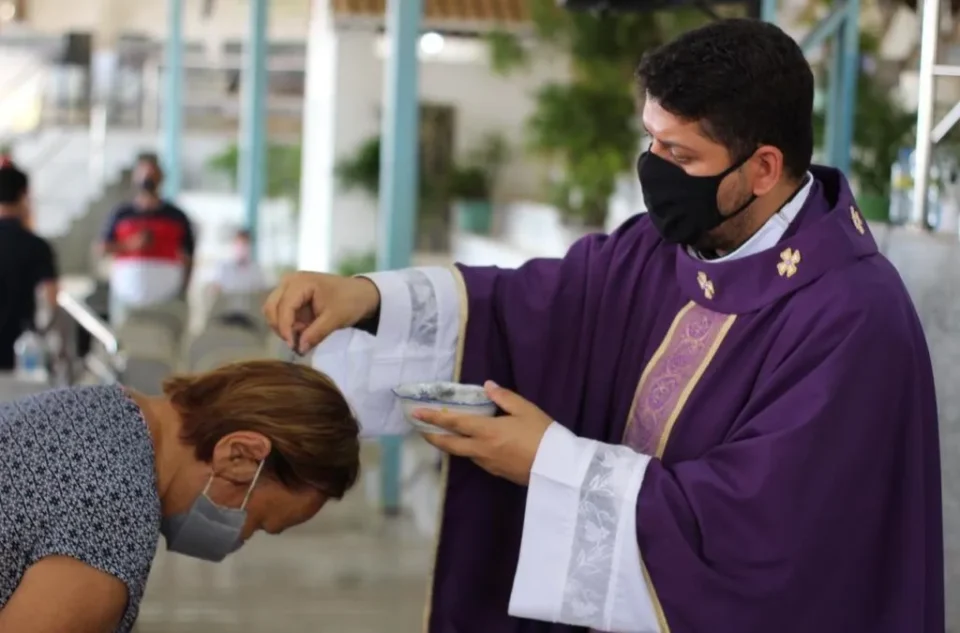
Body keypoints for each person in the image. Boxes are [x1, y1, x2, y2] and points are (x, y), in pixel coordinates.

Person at [265, 18, 943, 633]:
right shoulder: (661, 247)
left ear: (764, 167)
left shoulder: (853, 317)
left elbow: (762, 534)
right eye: (650, 140)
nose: (655, 170)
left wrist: (550, 463)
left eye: (680, 154)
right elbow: (524, 306)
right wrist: (365, 297)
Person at [0, 360, 360, 632]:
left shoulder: (104, 407)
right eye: (257, 522)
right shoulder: (114, 521)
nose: (241, 539)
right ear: (238, 455)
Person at [98, 152, 196, 325]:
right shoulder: (121, 214)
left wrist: (183, 289)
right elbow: (102, 248)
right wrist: (129, 245)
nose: (148, 179)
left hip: (167, 297)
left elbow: (189, 255)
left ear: (161, 177)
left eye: (152, 174)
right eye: (144, 173)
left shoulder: (176, 216)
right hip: (127, 295)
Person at [0, 162, 58, 371]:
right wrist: (41, 334)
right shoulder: (37, 246)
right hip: (21, 351)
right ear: (24, 195)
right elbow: (51, 299)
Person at [207, 228, 271, 330]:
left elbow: (263, 294)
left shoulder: (256, 270)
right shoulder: (223, 268)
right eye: (239, 243)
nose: (242, 247)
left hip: (249, 317)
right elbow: (214, 291)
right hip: (226, 316)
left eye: (245, 244)